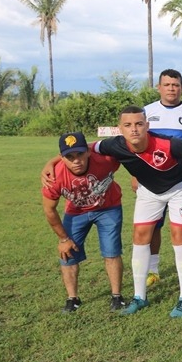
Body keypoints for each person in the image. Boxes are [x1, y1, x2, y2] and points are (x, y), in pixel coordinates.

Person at [42, 106, 182, 316]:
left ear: (147, 125)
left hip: (180, 188)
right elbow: (84, 148)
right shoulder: (114, 145)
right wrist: (51, 161)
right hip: (149, 191)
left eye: (138, 124)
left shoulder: (169, 143)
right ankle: (139, 296)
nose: (134, 129)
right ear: (120, 128)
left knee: (178, 235)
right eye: (128, 125)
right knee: (139, 236)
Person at [42, 132, 125, 313]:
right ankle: (73, 299)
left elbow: (129, 151)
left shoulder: (105, 160)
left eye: (80, 154)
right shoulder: (54, 176)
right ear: (62, 158)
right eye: (70, 157)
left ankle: (117, 296)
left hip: (108, 208)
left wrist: (136, 177)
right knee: (68, 253)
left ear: (88, 152)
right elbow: (49, 210)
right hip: (76, 212)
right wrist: (64, 239)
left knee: (111, 252)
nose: (76, 160)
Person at [142, 68, 182, 287]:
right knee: (153, 226)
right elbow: (138, 146)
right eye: (167, 84)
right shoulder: (147, 111)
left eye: (175, 85)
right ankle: (153, 270)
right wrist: (136, 175)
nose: (171, 88)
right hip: (152, 181)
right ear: (159, 87)